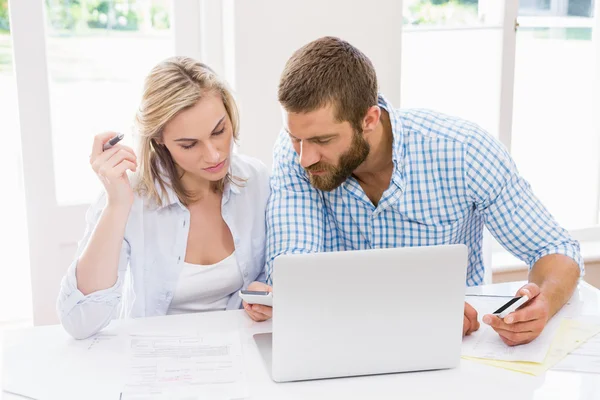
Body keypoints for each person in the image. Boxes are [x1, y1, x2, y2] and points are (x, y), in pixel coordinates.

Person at [249, 36, 584, 346]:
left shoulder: (462, 151)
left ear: (369, 119)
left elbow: (553, 247)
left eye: (323, 140)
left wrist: (542, 304)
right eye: (295, 137)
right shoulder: (294, 154)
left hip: (451, 347)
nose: (305, 158)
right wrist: (416, 312)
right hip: (344, 341)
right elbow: (293, 270)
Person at [57, 57, 271, 339]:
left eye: (219, 131)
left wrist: (269, 297)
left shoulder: (257, 181)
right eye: (189, 144)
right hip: (156, 362)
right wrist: (118, 205)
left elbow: (279, 280)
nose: (214, 154)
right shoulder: (129, 196)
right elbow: (80, 322)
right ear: (159, 139)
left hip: (240, 355)